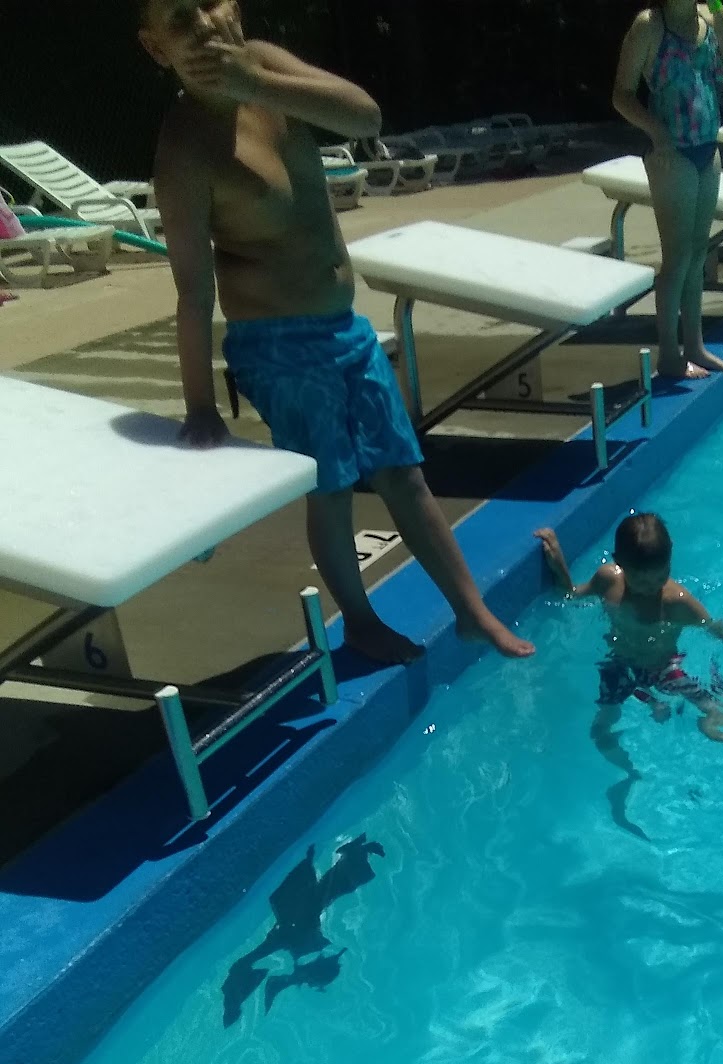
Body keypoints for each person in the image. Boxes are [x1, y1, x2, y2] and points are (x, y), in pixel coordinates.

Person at [137, 0, 533, 667]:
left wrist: (256, 84)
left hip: (343, 328)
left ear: (234, 8)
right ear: (156, 49)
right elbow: (193, 291)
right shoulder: (184, 150)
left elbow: (365, 118)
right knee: (331, 486)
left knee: (402, 473)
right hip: (277, 347)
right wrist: (200, 406)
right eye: (179, 20)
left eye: (210, 3)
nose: (203, 25)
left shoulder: (265, 66)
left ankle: (471, 612)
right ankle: (361, 621)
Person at [538, 515, 723, 838]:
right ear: (619, 564)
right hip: (619, 665)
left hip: (664, 669)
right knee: (600, 731)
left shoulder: (677, 603)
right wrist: (559, 567)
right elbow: (571, 595)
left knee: (713, 725)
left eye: (661, 576)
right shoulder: (607, 580)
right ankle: (633, 775)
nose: (653, 588)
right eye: (642, 581)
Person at [613, 1, 723, 382]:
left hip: (708, 150)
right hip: (671, 155)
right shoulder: (649, 26)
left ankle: (694, 346)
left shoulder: (709, 17)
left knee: (697, 254)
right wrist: (656, 132)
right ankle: (669, 356)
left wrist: (719, 7)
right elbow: (622, 94)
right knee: (677, 259)